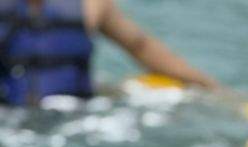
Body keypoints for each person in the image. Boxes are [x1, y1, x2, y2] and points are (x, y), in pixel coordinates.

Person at [0, 0, 217, 107]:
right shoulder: (92, 4)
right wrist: (217, 92)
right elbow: (141, 46)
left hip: (17, 123)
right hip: (81, 119)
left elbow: (142, 47)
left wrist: (215, 90)